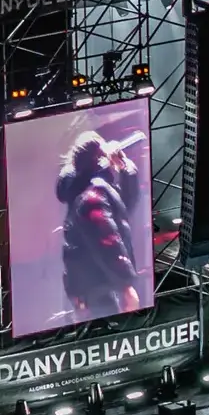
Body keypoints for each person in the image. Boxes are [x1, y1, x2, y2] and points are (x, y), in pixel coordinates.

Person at [56, 130, 147, 321]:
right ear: (98, 157)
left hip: (97, 285)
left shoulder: (89, 187)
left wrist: (125, 168)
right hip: (99, 286)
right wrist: (126, 285)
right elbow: (107, 240)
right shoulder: (93, 193)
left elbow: (125, 206)